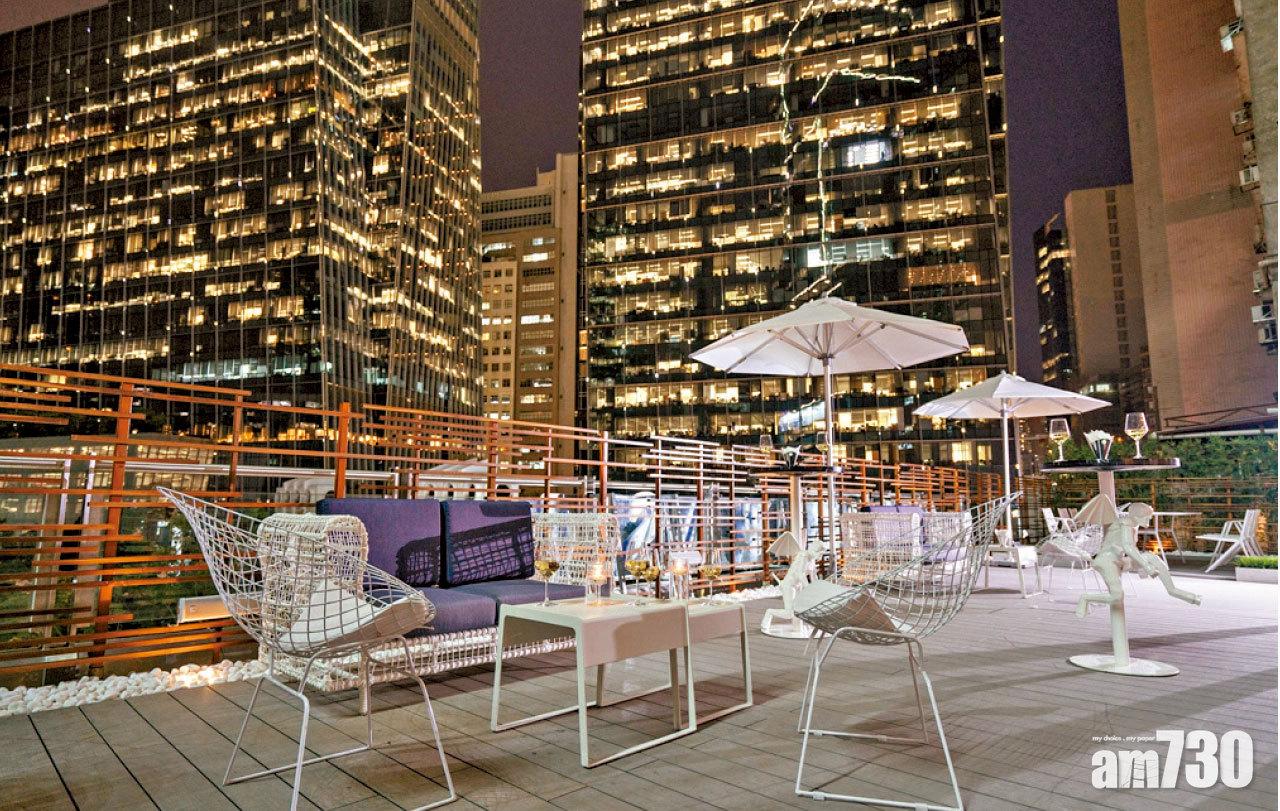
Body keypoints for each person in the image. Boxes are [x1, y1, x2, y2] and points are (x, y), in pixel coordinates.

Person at [1076, 501, 1200, 618]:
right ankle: (1086, 598)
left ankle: (1174, 591)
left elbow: (1131, 549)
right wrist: (1146, 566)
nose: (1148, 521)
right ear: (1136, 516)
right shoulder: (1125, 522)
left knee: (1152, 557)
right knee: (1117, 596)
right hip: (1106, 561)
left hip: (1119, 560)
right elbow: (1128, 547)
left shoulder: (1133, 525)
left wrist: (1143, 565)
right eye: (1146, 518)